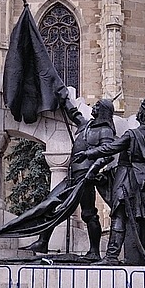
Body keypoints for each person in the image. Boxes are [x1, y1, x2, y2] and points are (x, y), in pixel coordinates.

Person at [80, 95, 145, 266]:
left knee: (119, 216)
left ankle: (111, 257)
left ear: (143, 116)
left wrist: (89, 153)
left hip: (127, 179)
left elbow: (110, 147)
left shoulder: (132, 134)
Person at [28, 98, 116, 258]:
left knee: (88, 213)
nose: (93, 107)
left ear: (103, 110)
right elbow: (73, 113)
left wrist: (93, 169)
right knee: (50, 203)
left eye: (97, 106)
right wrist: (61, 96)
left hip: (86, 177)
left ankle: (94, 252)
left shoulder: (105, 131)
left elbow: (107, 154)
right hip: (72, 177)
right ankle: (43, 242)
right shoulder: (85, 125)